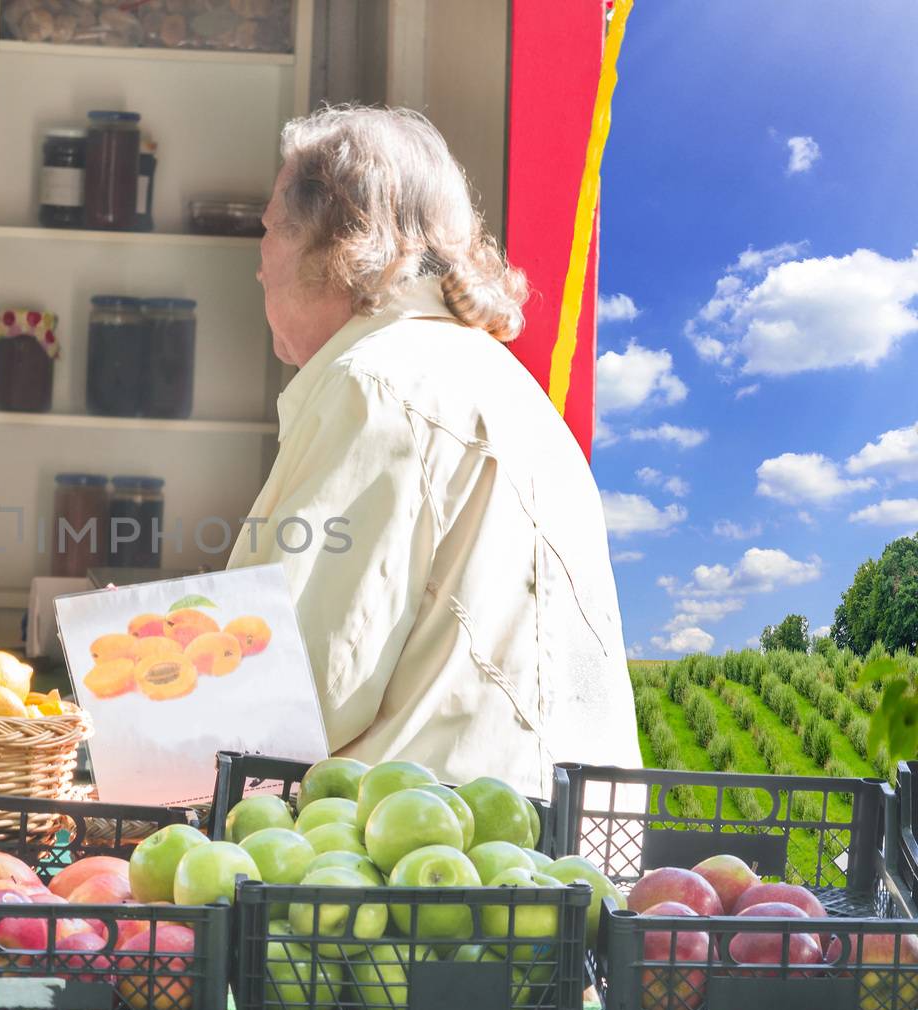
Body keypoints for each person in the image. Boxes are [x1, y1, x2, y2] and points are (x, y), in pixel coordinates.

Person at [229, 105, 640, 796]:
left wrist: (149, 668)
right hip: (556, 859)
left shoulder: (371, 384)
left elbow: (294, 687)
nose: (259, 267)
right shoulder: (506, 385)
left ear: (335, 241)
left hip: (424, 870)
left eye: (269, 231)